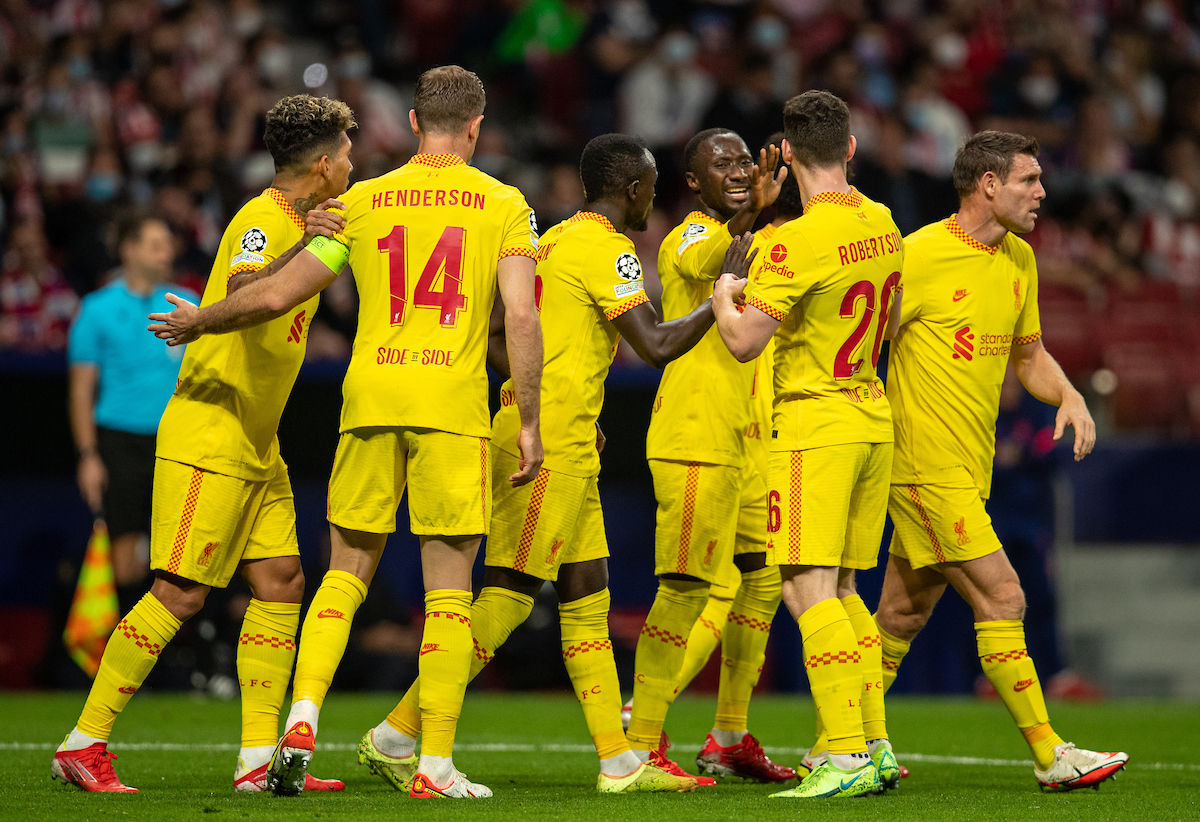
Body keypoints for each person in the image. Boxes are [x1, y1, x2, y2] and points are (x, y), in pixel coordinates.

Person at [148, 65, 544, 800]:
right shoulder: (505, 204)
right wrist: (528, 420)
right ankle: (433, 765)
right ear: (477, 127)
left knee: (345, 571)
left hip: (367, 400)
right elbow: (520, 316)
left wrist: (197, 319)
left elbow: (276, 292)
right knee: (448, 588)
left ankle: (301, 720)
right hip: (449, 405)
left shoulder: (363, 199)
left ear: (415, 123)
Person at [356, 133, 739, 795]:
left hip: (560, 433)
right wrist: (722, 296)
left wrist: (548, 400)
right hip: (552, 443)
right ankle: (396, 734)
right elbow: (653, 344)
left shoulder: (552, 240)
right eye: (650, 185)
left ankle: (619, 763)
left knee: (587, 595)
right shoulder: (610, 250)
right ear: (631, 189)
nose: (653, 196)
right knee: (506, 595)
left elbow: (502, 336)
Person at [53, 94, 355, 794]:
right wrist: (302, 248)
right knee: (181, 592)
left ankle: (256, 760)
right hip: (210, 430)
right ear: (321, 163)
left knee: (281, 585)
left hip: (256, 439)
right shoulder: (266, 217)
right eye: (342, 152)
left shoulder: (306, 221)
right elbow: (255, 288)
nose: (349, 162)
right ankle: (83, 740)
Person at [871, 129, 1128, 791]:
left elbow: (1029, 354)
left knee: (901, 616)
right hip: (922, 465)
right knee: (1004, 596)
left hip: (968, 467)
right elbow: (862, 339)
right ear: (988, 184)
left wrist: (1067, 394)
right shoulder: (917, 254)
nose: (1042, 193)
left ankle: (841, 743)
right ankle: (1050, 755)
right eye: (1029, 181)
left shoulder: (1018, 259)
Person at [712, 90, 904, 798]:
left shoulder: (792, 241)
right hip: (869, 414)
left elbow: (741, 343)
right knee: (849, 590)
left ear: (786, 153)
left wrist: (724, 294)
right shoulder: (884, 223)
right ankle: (877, 743)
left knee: (805, 587)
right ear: (851, 148)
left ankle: (845, 755)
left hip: (814, 424)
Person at [626, 126, 794, 784]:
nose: (738, 168)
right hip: (695, 435)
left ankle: (728, 734)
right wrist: (754, 207)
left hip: (752, 440)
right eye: (720, 163)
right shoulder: (688, 236)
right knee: (685, 590)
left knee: (763, 580)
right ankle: (640, 736)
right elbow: (713, 266)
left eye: (745, 160)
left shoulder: (763, 241)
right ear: (693, 182)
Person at [67, 214, 193, 615]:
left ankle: (171, 657)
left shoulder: (187, 304)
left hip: (176, 441)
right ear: (129, 250)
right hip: (119, 441)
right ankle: (126, 658)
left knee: (177, 555)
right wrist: (88, 456)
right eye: (155, 243)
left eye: (168, 243)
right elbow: (81, 390)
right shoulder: (97, 308)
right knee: (123, 553)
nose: (167, 251)